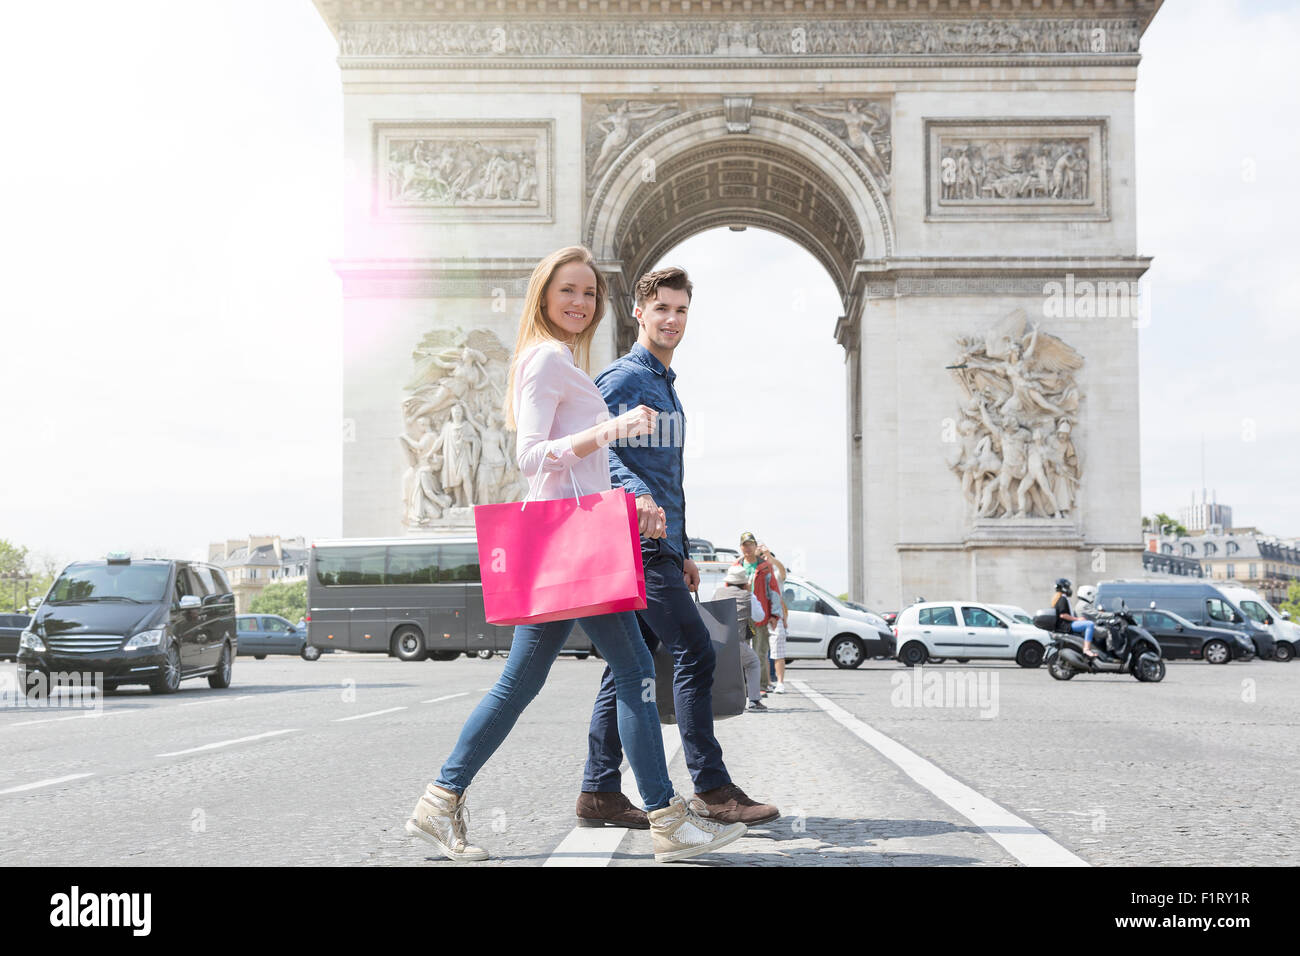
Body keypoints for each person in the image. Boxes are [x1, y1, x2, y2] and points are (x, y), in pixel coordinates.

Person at [404, 246, 745, 864]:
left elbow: (580, 468)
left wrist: (632, 501)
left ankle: (440, 800)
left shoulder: (562, 360)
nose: (581, 303)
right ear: (543, 294)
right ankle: (668, 819)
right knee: (629, 674)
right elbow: (531, 457)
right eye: (568, 290)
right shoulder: (546, 358)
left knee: (534, 682)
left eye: (590, 293)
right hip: (571, 543)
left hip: (580, 541)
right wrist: (612, 429)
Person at [579, 265, 780, 828]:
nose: (672, 319)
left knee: (627, 668)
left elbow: (671, 474)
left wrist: (684, 548)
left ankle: (597, 791)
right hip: (635, 540)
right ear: (638, 312)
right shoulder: (621, 379)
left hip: (660, 544)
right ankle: (714, 790)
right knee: (695, 649)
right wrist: (642, 501)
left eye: (682, 310)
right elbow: (605, 455)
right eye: (661, 308)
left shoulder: (667, 384)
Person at [712, 564, 766, 712]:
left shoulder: (718, 592)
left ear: (727, 582)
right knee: (753, 662)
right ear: (744, 583)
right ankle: (754, 701)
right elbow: (759, 616)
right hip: (734, 642)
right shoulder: (748, 596)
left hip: (714, 641)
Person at [738, 533, 787, 693]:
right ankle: (743, 686)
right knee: (741, 652)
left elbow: (774, 591)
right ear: (741, 547)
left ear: (754, 546)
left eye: (751, 544)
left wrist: (774, 615)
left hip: (761, 615)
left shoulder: (765, 567)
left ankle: (760, 686)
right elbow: (729, 588)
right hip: (742, 616)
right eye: (745, 545)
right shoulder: (737, 566)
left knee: (760, 651)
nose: (748, 548)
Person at [1052, 577, 1097, 657]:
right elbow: (1063, 615)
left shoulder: (1060, 598)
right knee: (1089, 624)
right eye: (1068, 587)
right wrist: (1077, 619)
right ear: (1064, 588)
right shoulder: (1062, 599)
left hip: (1065, 625)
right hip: (1066, 625)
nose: (1070, 589)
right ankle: (1086, 649)